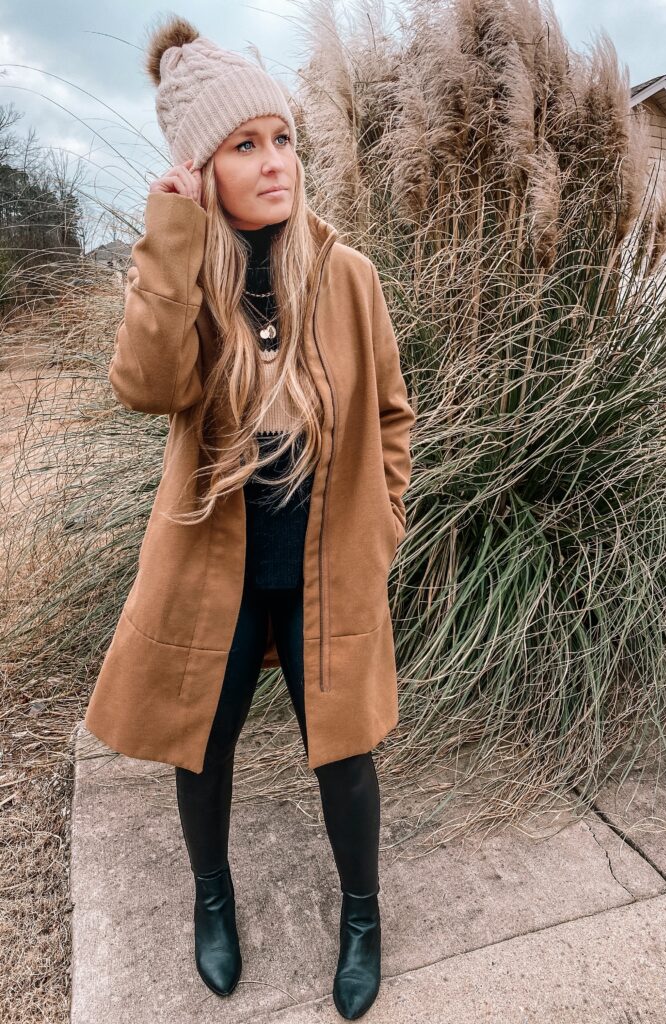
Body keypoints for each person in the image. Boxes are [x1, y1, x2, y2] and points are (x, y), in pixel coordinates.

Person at [83, 13, 415, 1021]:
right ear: (203, 168)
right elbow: (143, 384)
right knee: (204, 742)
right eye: (244, 145)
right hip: (215, 569)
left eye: (280, 139)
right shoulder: (190, 276)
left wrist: (383, 527)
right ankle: (211, 897)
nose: (274, 162)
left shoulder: (347, 277)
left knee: (345, 751)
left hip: (324, 566)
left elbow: (394, 416)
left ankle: (363, 916)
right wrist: (172, 228)